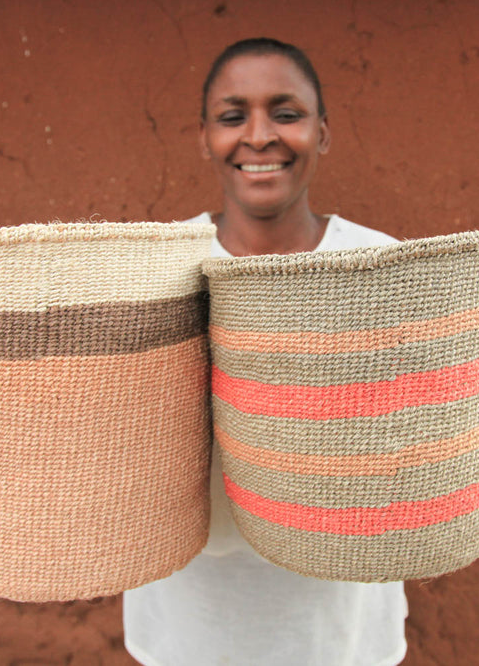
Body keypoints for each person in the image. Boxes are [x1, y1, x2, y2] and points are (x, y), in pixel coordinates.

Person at [122, 37, 408, 666]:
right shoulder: (156, 271)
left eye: (286, 114)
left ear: (323, 132)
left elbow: (410, 440)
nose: (259, 137)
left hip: (335, 620)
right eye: (233, 117)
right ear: (204, 138)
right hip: (188, 617)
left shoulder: (383, 269)